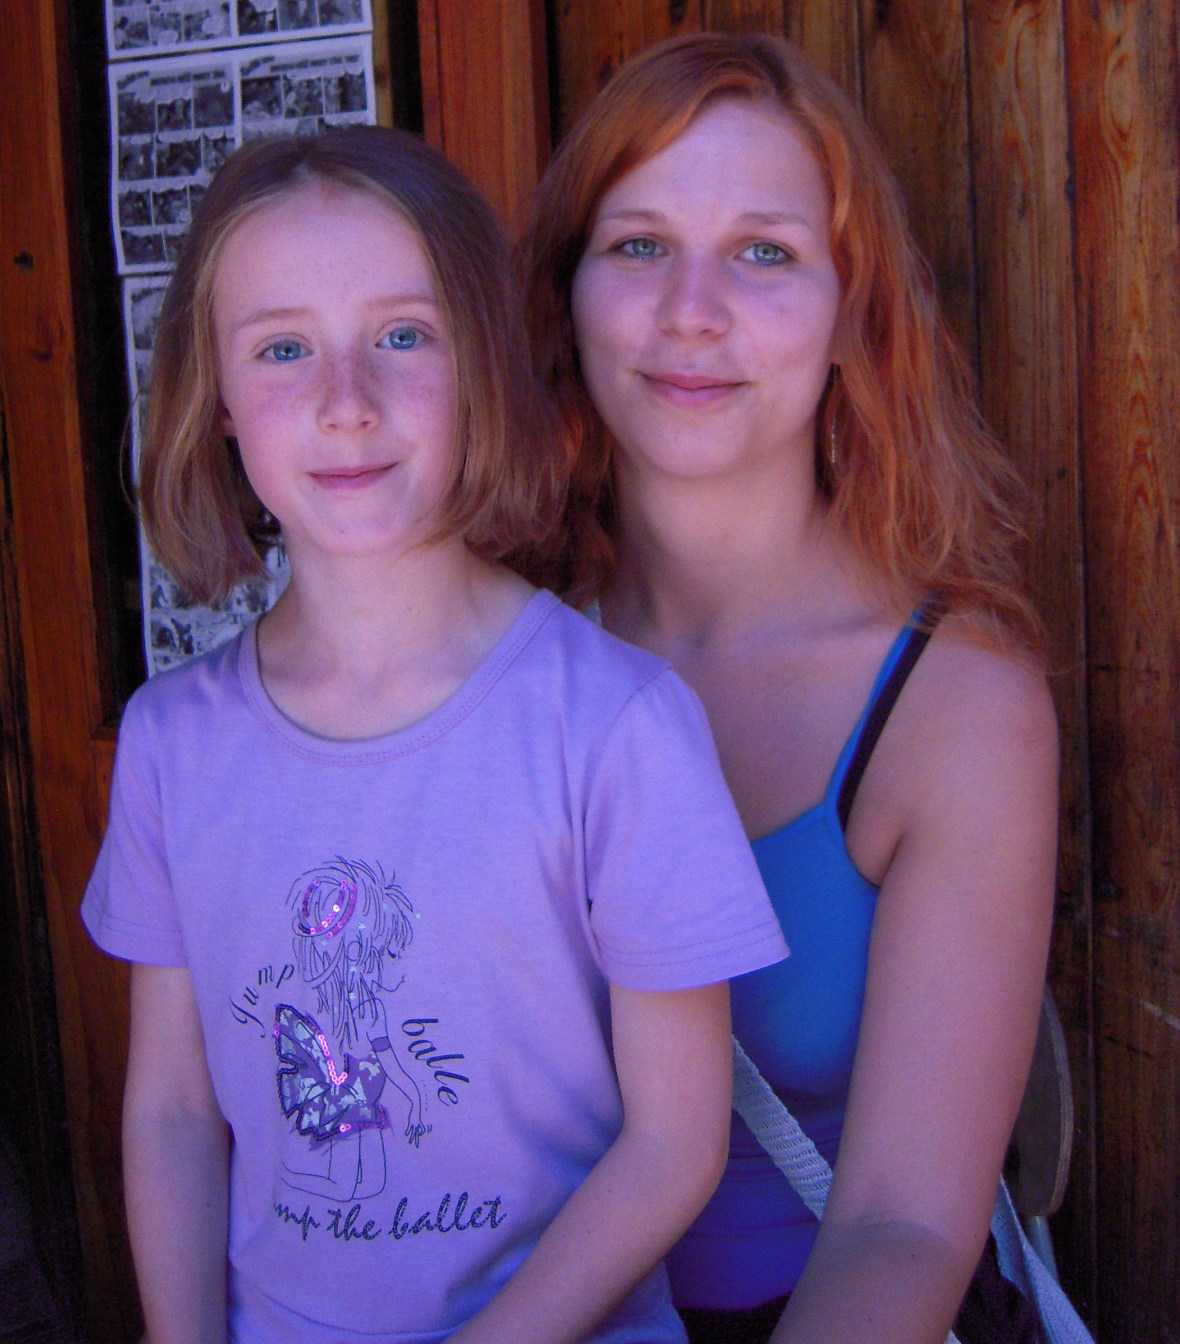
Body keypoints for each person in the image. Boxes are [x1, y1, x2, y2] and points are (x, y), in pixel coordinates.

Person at [82, 125, 789, 1344]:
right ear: (218, 402)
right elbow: (174, 1112)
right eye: (283, 348)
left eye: (403, 336)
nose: (345, 403)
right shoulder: (170, 746)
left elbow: (675, 1143)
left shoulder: (614, 726)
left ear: (483, 367)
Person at [520, 32, 1059, 1344]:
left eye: (762, 253)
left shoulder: (955, 703)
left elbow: (903, 1225)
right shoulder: (496, 652)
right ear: (566, 295)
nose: (690, 311)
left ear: (852, 316)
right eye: (638, 244)